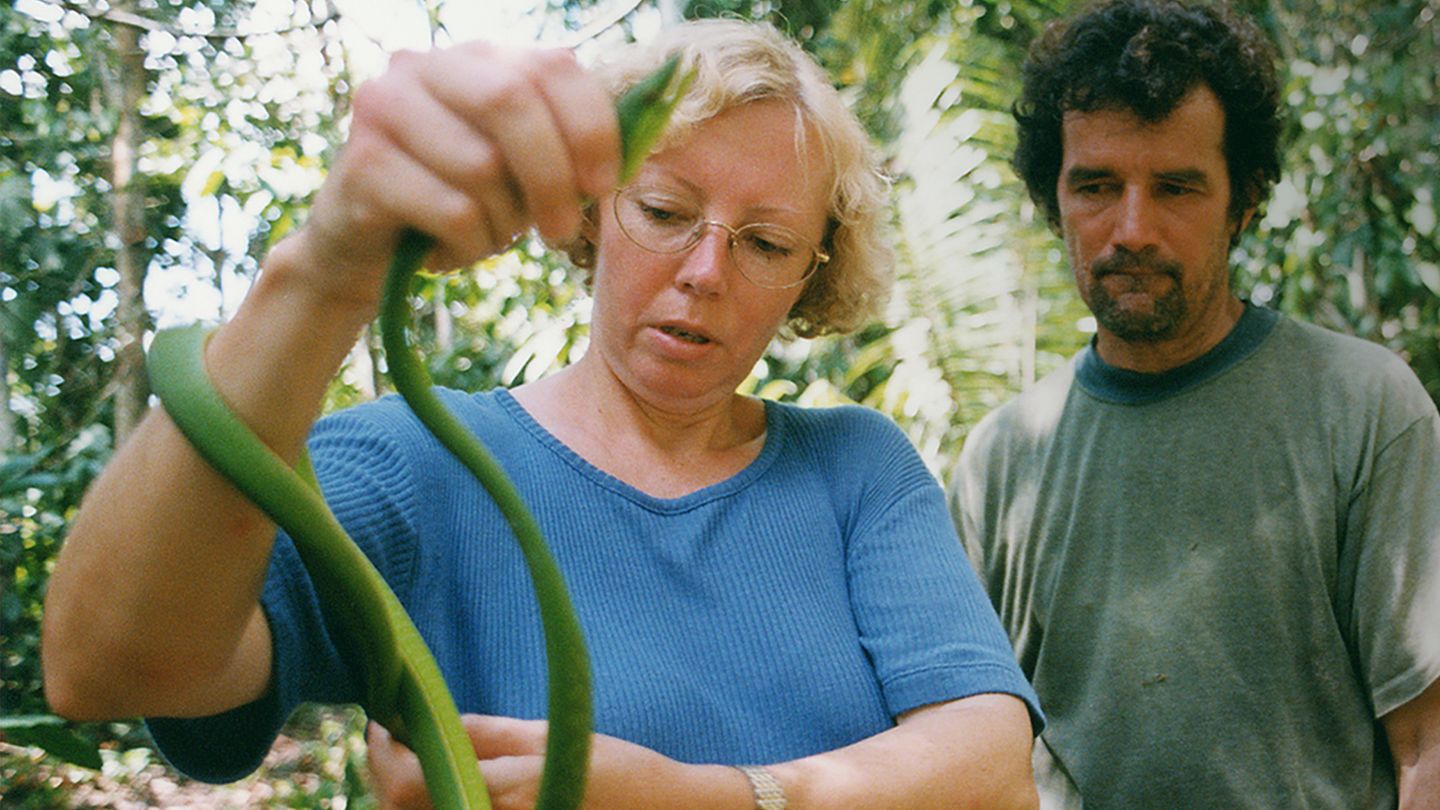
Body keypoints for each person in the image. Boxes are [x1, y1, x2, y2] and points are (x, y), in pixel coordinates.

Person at [42, 19, 1045, 809]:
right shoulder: (416, 460)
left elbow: (991, 763)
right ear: (591, 210)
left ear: (810, 279)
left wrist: (699, 801)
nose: (704, 273)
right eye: (663, 210)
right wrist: (328, 267)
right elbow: (111, 666)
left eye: (767, 242)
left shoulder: (853, 466)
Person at [948, 0, 1440, 807]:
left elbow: (1428, 742)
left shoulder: (1365, 409)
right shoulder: (1002, 457)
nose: (1132, 228)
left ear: (1241, 202)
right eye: (1097, 186)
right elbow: (971, 746)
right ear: (1054, 199)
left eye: (1176, 187)